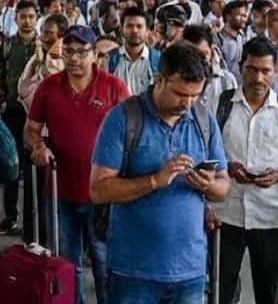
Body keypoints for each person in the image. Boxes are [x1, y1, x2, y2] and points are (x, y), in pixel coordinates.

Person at [90, 43, 230, 304]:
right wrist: (155, 180)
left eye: (195, 96)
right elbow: (98, 190)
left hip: (190, 270)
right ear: (159, 80)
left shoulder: (204, 121)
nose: (187, 104)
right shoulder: (123, 118)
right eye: (179, 94)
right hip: (134, 270)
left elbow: (223, 187)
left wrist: (207, 185)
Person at [26, 26, 129, 304]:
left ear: (95, 55)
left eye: (81, 52)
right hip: (60, 191)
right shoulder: (49, 86)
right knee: (67, 263)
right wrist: (38, 146)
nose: (73, 58)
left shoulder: (113, 87)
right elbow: (31, 128)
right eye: (68, 52)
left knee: (105, 262)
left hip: (103, 194)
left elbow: (131, 134)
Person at [213, 37, 278, 304]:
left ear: (276, 72)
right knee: (222, 289)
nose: (258, 78)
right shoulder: (223, 104)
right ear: (240, 67)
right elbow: (207, 152)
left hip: (270, 215)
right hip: (226, 214)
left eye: (265, 71)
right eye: (251, 69)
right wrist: (227, 167)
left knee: (268, 292)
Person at [0, 0, 39, 235]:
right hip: (12, 110)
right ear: (16, 19)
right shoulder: (7, 45)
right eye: (23, 16)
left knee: (32, 166)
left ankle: (32, 221)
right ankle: (10, 216)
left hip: (35, 114)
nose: (27, 21)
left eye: (31, 16)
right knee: (11, 164)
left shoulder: (43, 46)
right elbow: (0, 74)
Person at [218, 0, 249, 83]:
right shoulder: (218, 39)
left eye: (244, 15)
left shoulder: (241, 37)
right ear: (228, 17)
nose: (243, 19)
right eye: (239, 15)